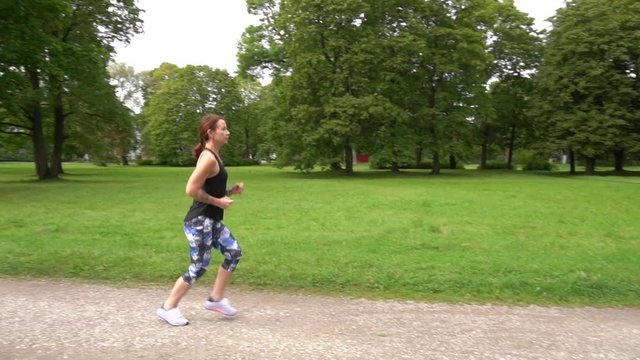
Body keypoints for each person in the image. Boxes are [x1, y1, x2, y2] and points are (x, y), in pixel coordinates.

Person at [156, 114, 245, 326]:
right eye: (223, 128)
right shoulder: (208, 158)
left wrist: (230, 191)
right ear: (210, 133)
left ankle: (216, 299)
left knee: (233, 252)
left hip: (211, 221)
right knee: (199, 266)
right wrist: (217, 202)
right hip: (199, 222)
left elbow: (210, 188)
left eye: (227, 128)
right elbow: (191, 190)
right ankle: (168, 307)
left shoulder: (215, 155)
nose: (227, 132)